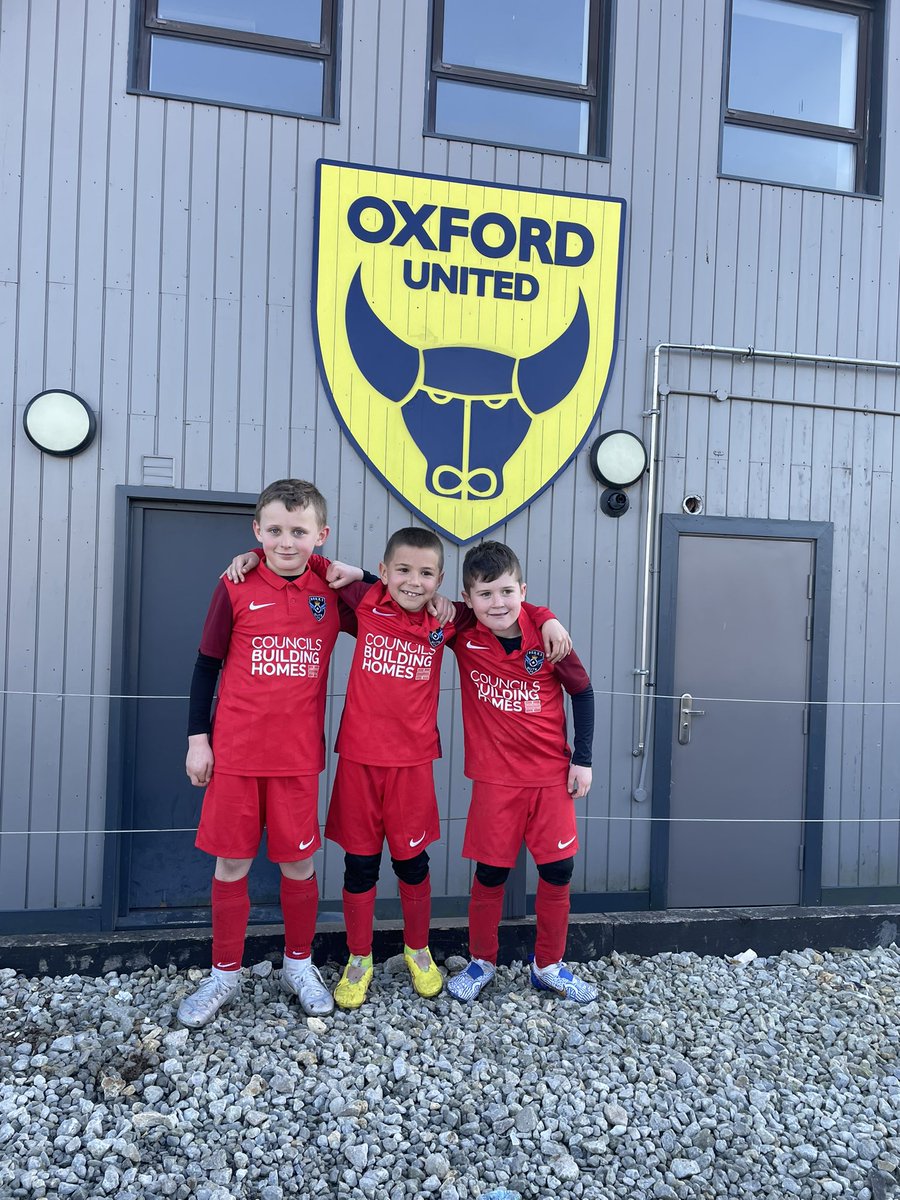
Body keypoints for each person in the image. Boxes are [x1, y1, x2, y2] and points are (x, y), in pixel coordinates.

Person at [226, 528, 572, 1011]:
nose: (414, 582)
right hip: (360, 762)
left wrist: (546, 616)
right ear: (385, 573)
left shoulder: (447, 623)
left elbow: (503, 610)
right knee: (360, 865)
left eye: (426, 574)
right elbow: (306, 563)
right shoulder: (365, 604)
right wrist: (252, 554)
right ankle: (359, 957)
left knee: (413, 864)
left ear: (440, 581)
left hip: (413, 765)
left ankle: (418, 950)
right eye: (402, 571)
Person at [178, 479, 355, 1029]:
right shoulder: (234, 584)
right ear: (257, 531)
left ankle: (298, 965)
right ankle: (224, 973)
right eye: (273, 530)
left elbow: (397, 604)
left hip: (297, 759)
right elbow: (206, 665)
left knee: (298, 863)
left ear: (320, 536)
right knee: (231, 864)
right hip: (234, 754)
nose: (285, 541)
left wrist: (360, 574)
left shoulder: (333, 591)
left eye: (299, 532)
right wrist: (197, 738)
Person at [446, 540, 598, 1004]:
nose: (498, 603)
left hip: (550, 777)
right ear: (468, 599)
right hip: (496, 781)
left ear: (523, 590)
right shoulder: (462, 632)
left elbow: (584, 694)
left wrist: (584, 759)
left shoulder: (548, 636)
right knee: (490, 874)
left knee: (558, 871)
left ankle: (548, 965)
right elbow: (406, 593)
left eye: (507, 592)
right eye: (486, 594)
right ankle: (481, 961)